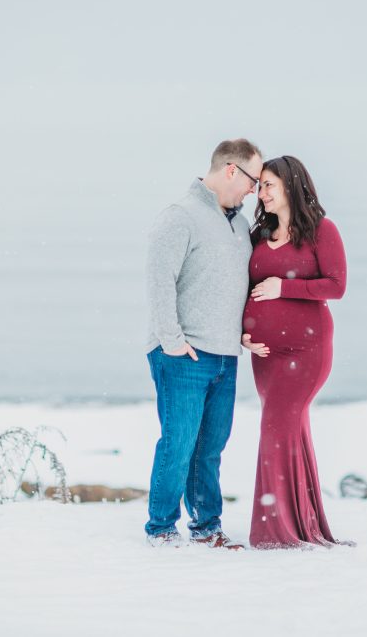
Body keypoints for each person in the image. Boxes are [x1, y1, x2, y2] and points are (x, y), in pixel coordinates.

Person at [143, 138, 264, 549]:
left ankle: (206, 526)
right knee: (178, 443)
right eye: (252, 180)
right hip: (184, 353)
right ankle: (160, 529)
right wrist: (172, 342)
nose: (255, 189)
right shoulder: (180, 216)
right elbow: (160, 282)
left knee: (210, 448)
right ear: (232, 170)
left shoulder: (241, 225)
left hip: (225, 354)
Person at [240, 155, 352, 549]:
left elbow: (335, 286)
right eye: (261, 185)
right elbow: (242, 289)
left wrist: (283, 288)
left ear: (290, 185)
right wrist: (242, 333)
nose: (262, 192)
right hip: (265, 353)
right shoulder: (259, 232)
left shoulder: (322, 231)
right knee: (290, 431)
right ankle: (302, 525)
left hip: (306, 349)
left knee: (275, 429)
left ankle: (276, 532)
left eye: (269, 184)